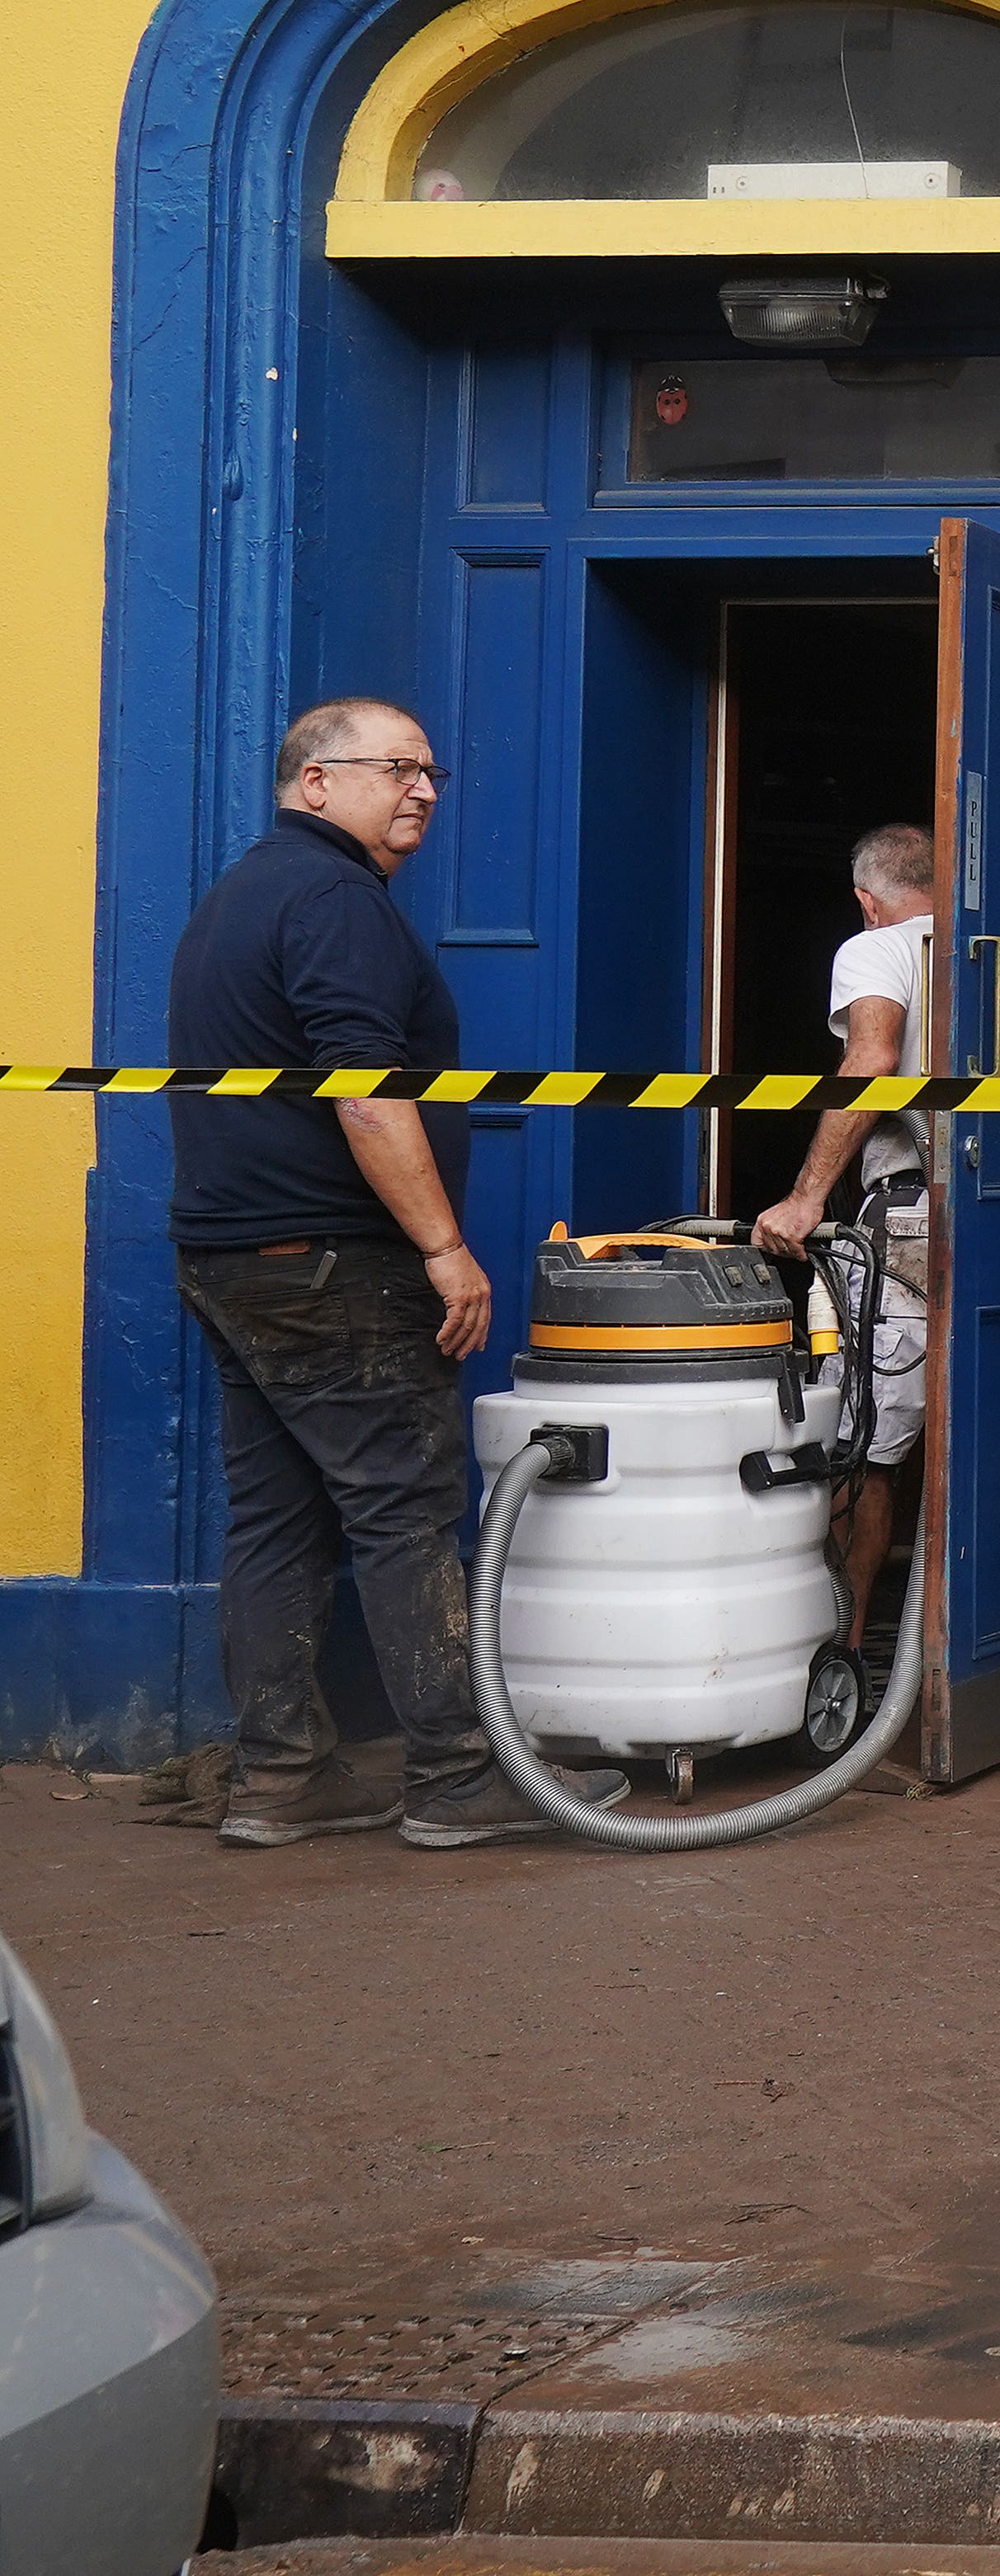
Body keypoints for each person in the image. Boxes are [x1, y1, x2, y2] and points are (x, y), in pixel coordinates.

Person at [165, 699, 630, 1849]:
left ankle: (280, 1776)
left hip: (234, 1256)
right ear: (313, 781)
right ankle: (459, 1771)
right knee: (402, 1509)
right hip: (335, 1262)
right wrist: (441, 1244)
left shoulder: (240, 897)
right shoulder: (333, 900)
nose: (422, 787)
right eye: (396, 768)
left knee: (276, 1520)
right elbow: (365, 1087)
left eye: (432, 771)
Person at [753, 824, 936, 1673]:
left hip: (906, 1216)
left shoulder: (879, 946)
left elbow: (871, 1058)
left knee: (861, 1442)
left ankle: (838, 1656)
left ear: (867, 899)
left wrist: (805, 1196)